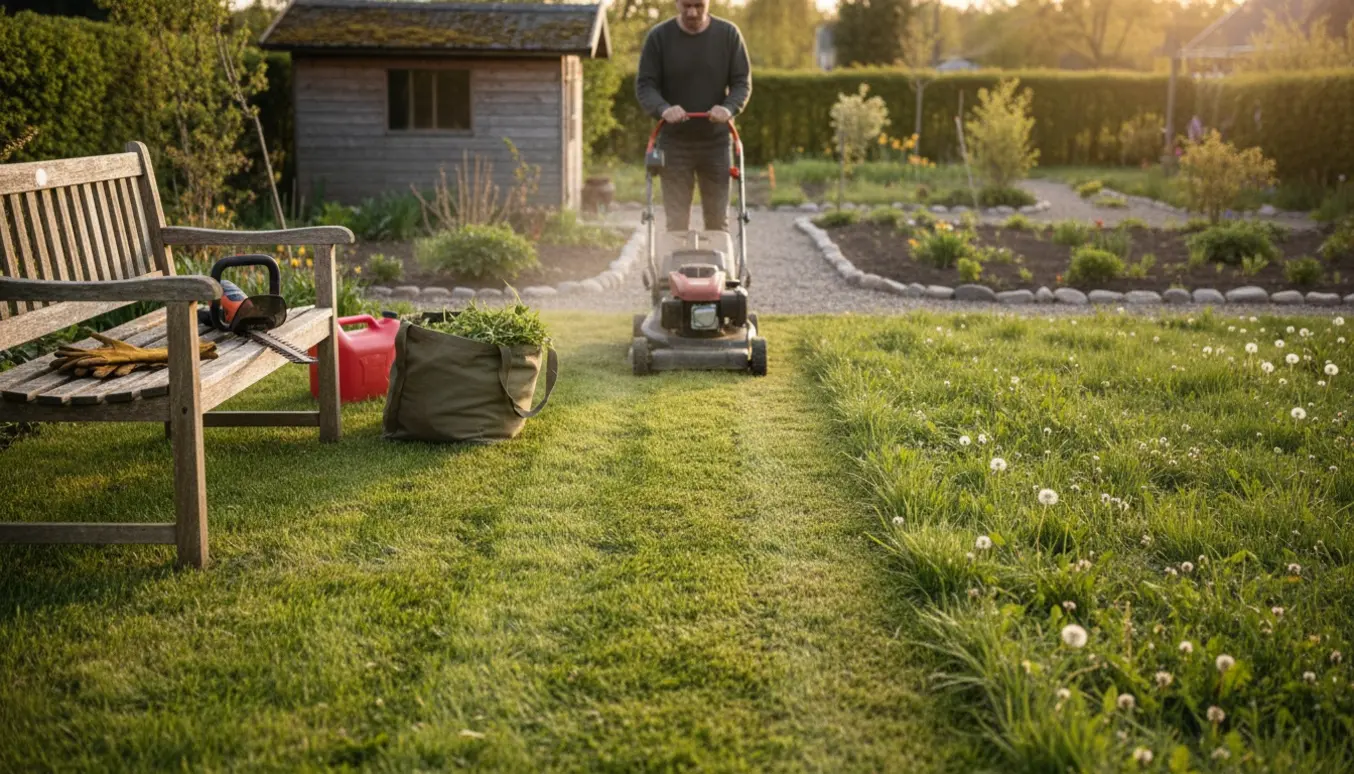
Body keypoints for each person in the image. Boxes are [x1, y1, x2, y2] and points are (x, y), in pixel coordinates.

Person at [635, 0, 752, 234]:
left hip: (716, 143)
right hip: (674, 143)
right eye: (686, 5)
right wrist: (663, 109)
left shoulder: (728, 34)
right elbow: (646, 85)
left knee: (717, 220)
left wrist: (728, 108)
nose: (692, 12)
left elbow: (742, 83)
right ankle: (677, 259)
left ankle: (719, 259)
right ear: (676, 3)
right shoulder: (659, 37)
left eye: (698, 5)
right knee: (676, 222)